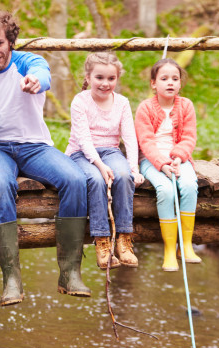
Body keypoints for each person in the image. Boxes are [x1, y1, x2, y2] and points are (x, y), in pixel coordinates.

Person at [0, 8, 90, 306]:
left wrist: (35, 82)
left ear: (9, 41)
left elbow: (43, 74)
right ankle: (11, 277)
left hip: (35, 146)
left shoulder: (28, 62)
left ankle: (70, 272)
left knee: (75, 178)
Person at [66, 52, 144, 270]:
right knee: (96, 180)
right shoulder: (80, 101)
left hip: (110, 151)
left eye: (111, 78)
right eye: (99, 77)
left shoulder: (122, 103)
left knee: (123, 176)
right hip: (81, 153)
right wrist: (99, 166)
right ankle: (102, 241)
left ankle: (123, 238)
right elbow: (83, 139)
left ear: (117, 79)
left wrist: (133, 168)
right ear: (88, 77)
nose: (105, 83)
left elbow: (129, 137)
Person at [135, 58, 201, 272]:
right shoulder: (145, 108)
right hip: (151, 161)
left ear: (180, 83)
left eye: (175, 78)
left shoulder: (186, 106)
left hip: (179, 160)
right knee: (166, 190)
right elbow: (145, 141)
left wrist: (178, 157)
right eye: (164, 78)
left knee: (190, 186)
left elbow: (189, 137)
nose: (170, 83)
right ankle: (170, 250)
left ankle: (186, 245)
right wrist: (162, 164)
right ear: (154, 83)